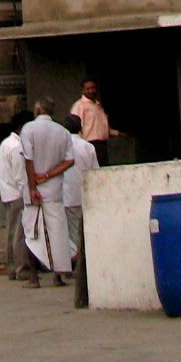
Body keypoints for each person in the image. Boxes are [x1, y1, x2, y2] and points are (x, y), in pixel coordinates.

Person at [20, 100, 74, 288]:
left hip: (36, 191)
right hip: (55, 189)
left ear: (37, 110)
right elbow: (69, 161)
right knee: (57, 232)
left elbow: (28, 160)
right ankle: (58, 276)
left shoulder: (29, 129)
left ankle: (34, 277)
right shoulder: (63, 132)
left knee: (31, 233)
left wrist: (33, 186)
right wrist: (50, 174)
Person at [0, 110, 32, 280]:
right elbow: (20, 176)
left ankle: (12, 268)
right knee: (19, 234)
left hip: (7, 193)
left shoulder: (5, 144)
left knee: (11, 232)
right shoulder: (17, 147)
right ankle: (22, 269)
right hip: (17, 194)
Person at [63, 114, 99, 256]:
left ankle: (73, 264)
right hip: (84, 196)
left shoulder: (62, 147)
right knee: (84, 232)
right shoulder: (88, 147)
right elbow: (95, 173)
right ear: (81, 128)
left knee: (70, 234)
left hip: (67, 196)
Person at [70, 78, 119, 167]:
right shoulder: (79, 106)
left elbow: (102, 126)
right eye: (88, 89)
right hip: (90, 144)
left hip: (102, 145)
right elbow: (75, 126)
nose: (91, 91)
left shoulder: (98, 105)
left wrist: (117, 133)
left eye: (93, 88)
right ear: (82, 90)